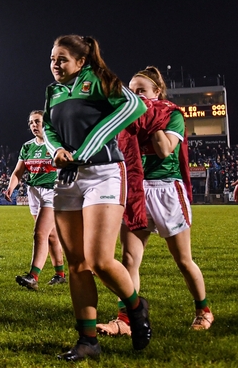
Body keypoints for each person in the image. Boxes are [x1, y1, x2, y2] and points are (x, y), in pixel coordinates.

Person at [44, 35, 150, 361]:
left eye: (62, 59)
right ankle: (87, 341)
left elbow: (135, 105)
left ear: (81, 61)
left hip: (103, 173)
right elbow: (47, 128)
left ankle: (135, 306)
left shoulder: (100, 81)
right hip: (67, 178)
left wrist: (83, 151)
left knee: (100, 259)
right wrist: (56, 151)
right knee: (77, 264)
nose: (55, 65)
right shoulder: (53, 91)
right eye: (52, 59)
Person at [96, 66, 212, 336]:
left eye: (142, 91)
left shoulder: (172, 115)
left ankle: (203, 310)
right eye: (133, 91)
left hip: (167, 190)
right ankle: (125, 319)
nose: (136, 96)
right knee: (129, 259)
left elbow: (164, 150)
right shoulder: (129, 118)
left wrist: (151, 119)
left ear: (157, 92)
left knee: (183, 260)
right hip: (137, 190)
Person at [5, 110, 66, 290]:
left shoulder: (56, 144)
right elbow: (18, 171)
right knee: (51, 235)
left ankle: (33, 276)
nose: (34, 125)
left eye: (37, 122)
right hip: (33, 192)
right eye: (31, 122)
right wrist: (11, 186)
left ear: (46, 123)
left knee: (40, 233)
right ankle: (60, 275)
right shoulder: (27, 146)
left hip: (52, 192)